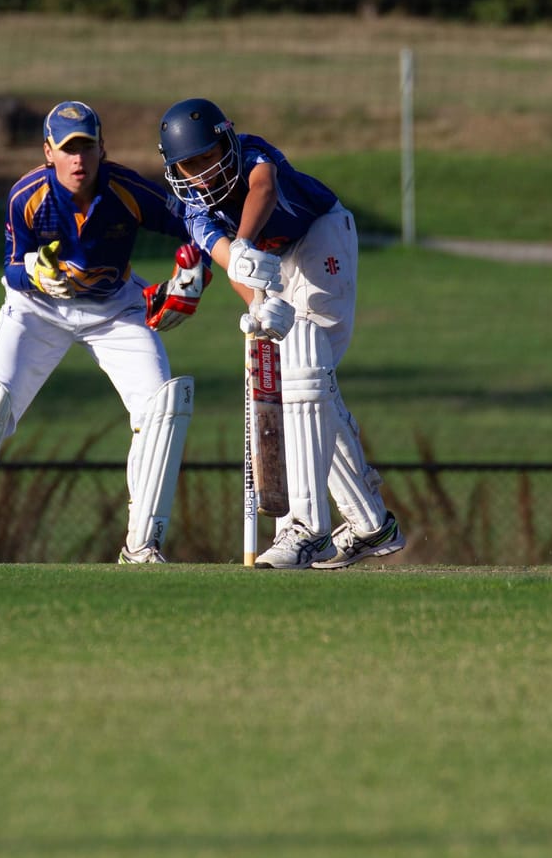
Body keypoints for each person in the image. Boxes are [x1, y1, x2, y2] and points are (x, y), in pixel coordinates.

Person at [0, 101, 210, 565]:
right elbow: (11, 270)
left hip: (114, 309)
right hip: (36, 311)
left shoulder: (128, 189)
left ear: (102, 149)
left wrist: (197, 275)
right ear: (48, 152)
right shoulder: (26, 196)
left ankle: (142, 546)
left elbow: (196, 225)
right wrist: (34, 273)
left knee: (162, 405)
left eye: (88, 148)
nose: (79, 161)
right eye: (69, 150)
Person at [156, 98, 406, 571]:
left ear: (226, 142)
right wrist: (258, 304)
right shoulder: (192, 211)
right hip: (280, 266)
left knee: (304, 373)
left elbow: (263, 191)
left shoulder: (254, 155)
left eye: (207, 157)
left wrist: (245, 243)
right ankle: (372, 524)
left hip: (321, 235)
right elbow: (233, 265)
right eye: (188, 166)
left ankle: (306, 529)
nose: (202, 174)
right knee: (308, 389)